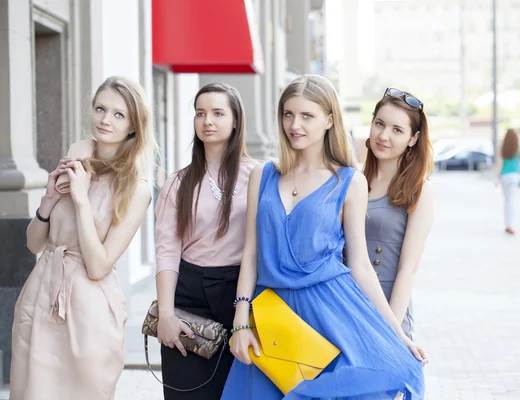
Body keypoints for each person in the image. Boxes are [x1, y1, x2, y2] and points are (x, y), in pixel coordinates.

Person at [222, 75, 426, 400]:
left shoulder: (349, 181)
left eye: (307, 116)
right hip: (271, 314)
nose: (295, 125)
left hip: (329, 311)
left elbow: (359, 265)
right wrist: (241, 320)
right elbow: (250, 253)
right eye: (288, 114)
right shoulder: (262, 175)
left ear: (329, 120)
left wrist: (397, 333)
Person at [10, 76, 156, 400]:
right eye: (100, 109)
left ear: (133, 126)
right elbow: (34, 244)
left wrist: (80, 199)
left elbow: (99, 266)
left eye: (119, 114)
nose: (105, 119)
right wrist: (47, 202)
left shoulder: (137, 188)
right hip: (40, 295)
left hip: (89, 311)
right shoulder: (75, 164)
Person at [154, 83, 259, 399]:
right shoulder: (179, 182)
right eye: (200, 113)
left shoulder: (259, 176)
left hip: (240, 295)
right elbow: (167, 249)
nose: (207, 121)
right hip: (189, 296)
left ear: (236, 120)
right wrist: (167, 313)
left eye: (217, 113)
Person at [363, 88, 434, 341]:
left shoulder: (418, 190)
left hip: (389, 311)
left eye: (397, 130)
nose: (383, 136)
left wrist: (390, 330)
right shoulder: (354, 180)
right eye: (379, 124)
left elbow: (408, 269)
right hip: (345, 307)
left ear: (413, 139)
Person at [495, 128, 520, 235]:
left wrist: (496, 178)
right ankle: (510, 225)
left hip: (504, 176)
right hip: (515, 175)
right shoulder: (518, 147)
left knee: (507, 200)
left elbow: (499, 164)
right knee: (511, 201)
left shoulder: (502, 148)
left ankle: (507, 224)